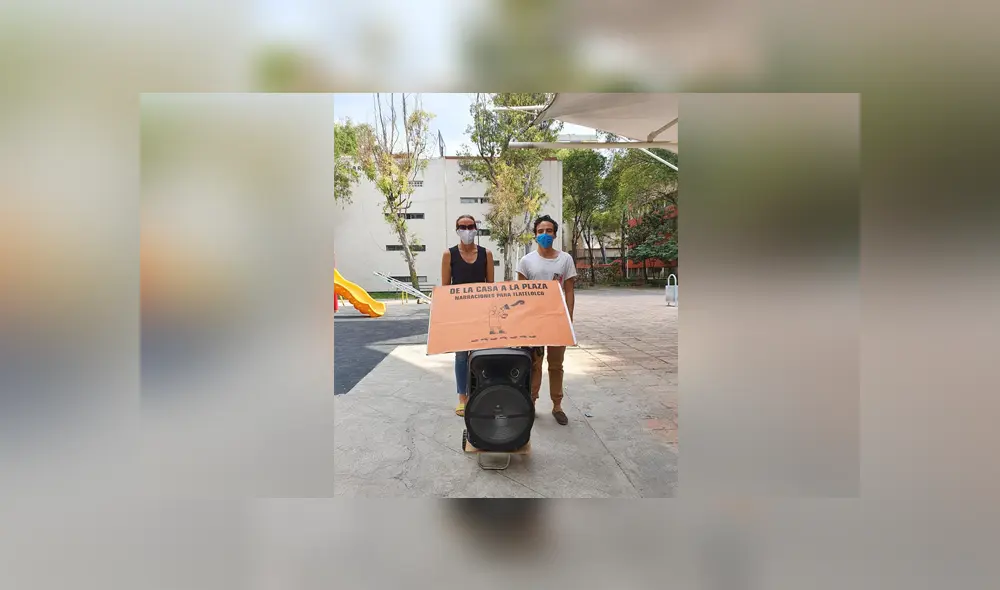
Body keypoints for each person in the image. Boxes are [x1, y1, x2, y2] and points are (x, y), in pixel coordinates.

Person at [516, 214, 576, 425]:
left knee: (556, 365)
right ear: (535, 235)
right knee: (533, 364)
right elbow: (520, 294)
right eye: (540, 231)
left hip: (558, 321)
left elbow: (569, 291)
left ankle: (557, 405)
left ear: (555, 234)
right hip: (534, 322)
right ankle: (531, 402)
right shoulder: (526, 262)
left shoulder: (565, 259)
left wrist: (568, 319)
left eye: (548, 231)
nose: (544, 234)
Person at [441, 214, 494, 416]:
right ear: (456, 230)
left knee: (482, 355)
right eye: (462, 227)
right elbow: (446, 289)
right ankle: (462, 397)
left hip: (481, 314)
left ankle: (480, 393)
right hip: (459, 315)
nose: (466, 230)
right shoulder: (449, 255)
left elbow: (491, 287)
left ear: (476, 229)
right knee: (461, 356)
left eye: (470, 226)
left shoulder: (486, 254)